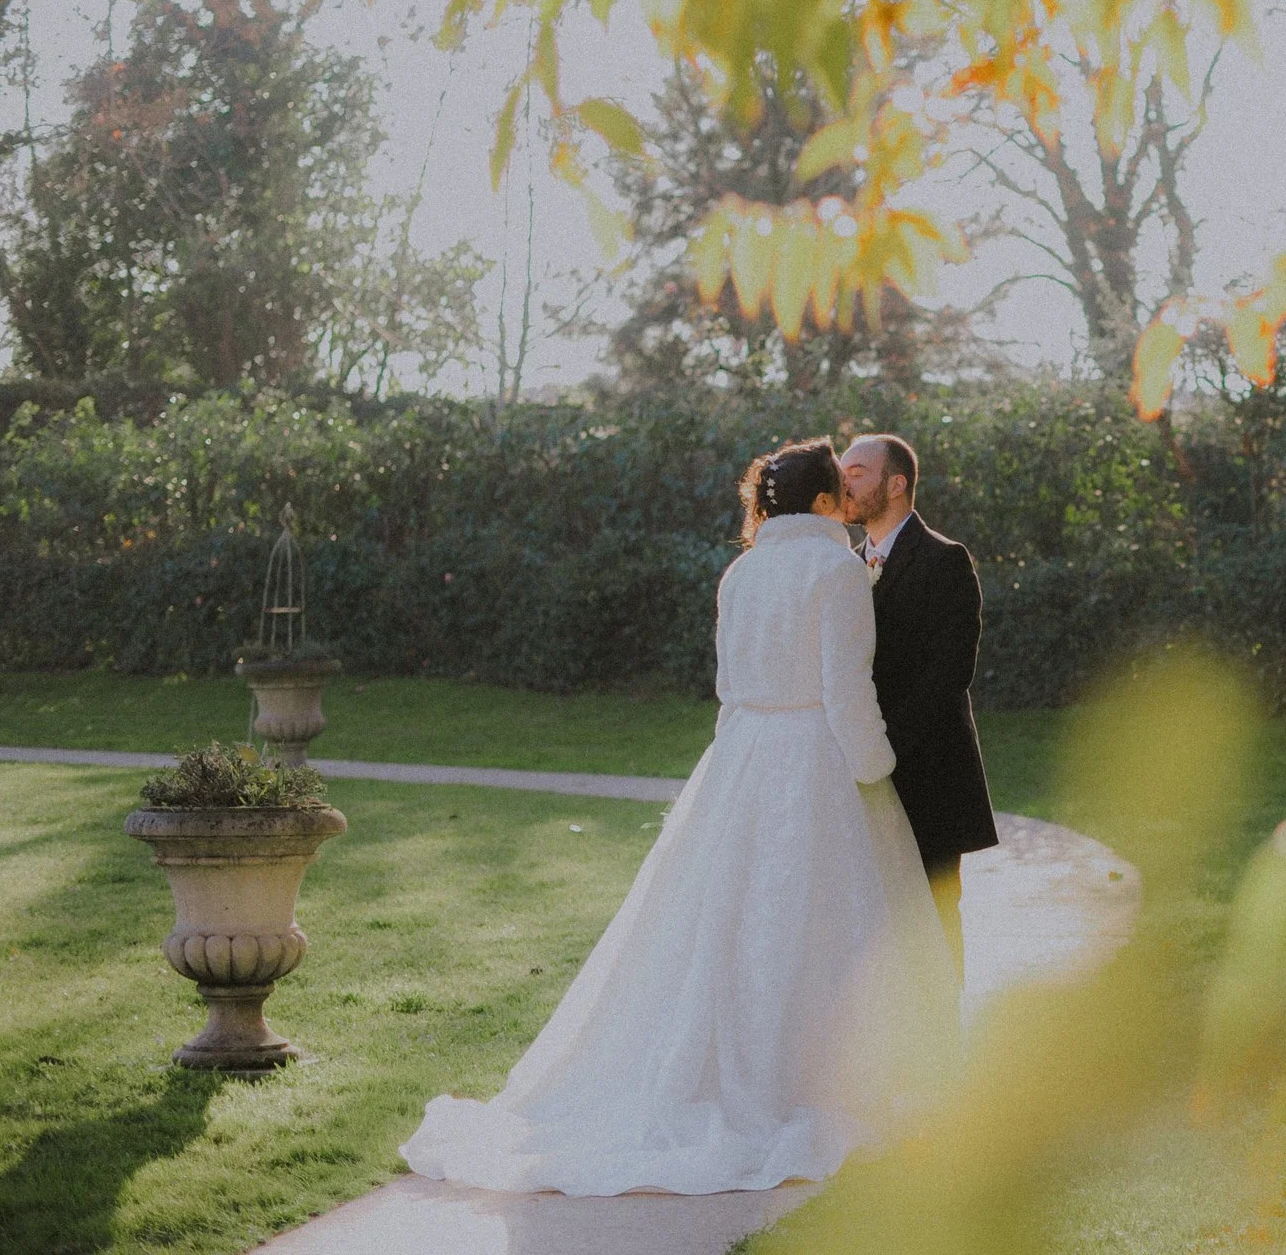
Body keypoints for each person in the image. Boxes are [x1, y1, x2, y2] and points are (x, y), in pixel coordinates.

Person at [399, 439, 957, 1196]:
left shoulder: (743, 571)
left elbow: (731, 686)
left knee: (724, 923)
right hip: (814, 756)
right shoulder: (836, 569)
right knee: (816, 920)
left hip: (743, 754)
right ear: (826, 503)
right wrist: (877, 771)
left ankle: (721, 1077)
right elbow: (845, 691)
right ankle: (810, 1082)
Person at [839, 433, 998, 977]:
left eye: (857, 470)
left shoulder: (945, 561)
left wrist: (884, 751)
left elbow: (948, 676)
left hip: (928, 774)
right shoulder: (844, 569)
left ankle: (946, 1044)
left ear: (896, 482)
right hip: (862, 775)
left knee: (934, 914)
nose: (844, 481)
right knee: (872, 919)